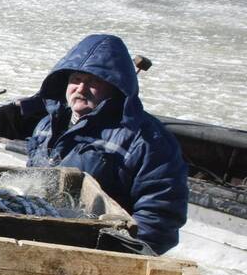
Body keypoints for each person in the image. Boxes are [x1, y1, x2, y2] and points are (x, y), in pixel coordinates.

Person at [27, 34, 188, 255]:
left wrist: (108, 255)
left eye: (93, 82)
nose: (81, 89)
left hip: (97, 255)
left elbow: (160, 219)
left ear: (115, 86)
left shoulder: (148, 140)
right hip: (38, 242)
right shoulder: (46, 126)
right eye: (76, 79)